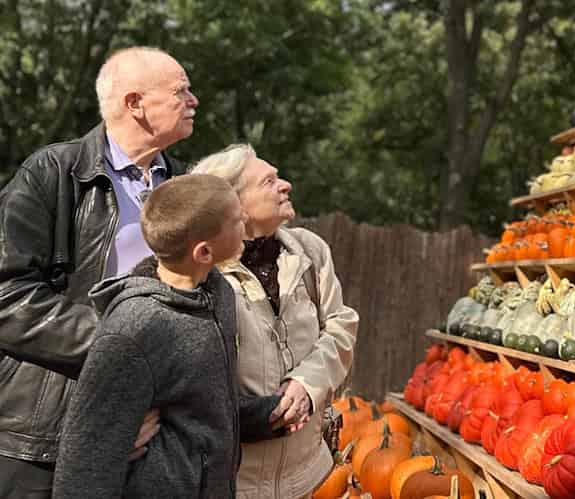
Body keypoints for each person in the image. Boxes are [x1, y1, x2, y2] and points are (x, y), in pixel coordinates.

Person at [0, 46, 198, 497]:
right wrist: (125, 348)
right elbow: (7, 296)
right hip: (44, 436)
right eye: (181, 90)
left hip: (156, 439)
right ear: (135, 104)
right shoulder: (52, 172)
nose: (194, 101)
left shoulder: (191, 189)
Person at [53, 174, 283, 498]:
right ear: (203, 252)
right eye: (235, 220)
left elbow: (203, 403)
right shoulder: (134, 330)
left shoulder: (219, 295)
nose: (245, 219)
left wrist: (266, 415)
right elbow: (86, 461)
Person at [193, 144, 358, 499]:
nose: (286, 185)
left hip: (308, 476)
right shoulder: (200, 271)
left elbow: (341, 326)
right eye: (269, 181)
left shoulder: (310, 252)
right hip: (231, 482)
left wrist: (307, 384)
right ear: (234, 204)